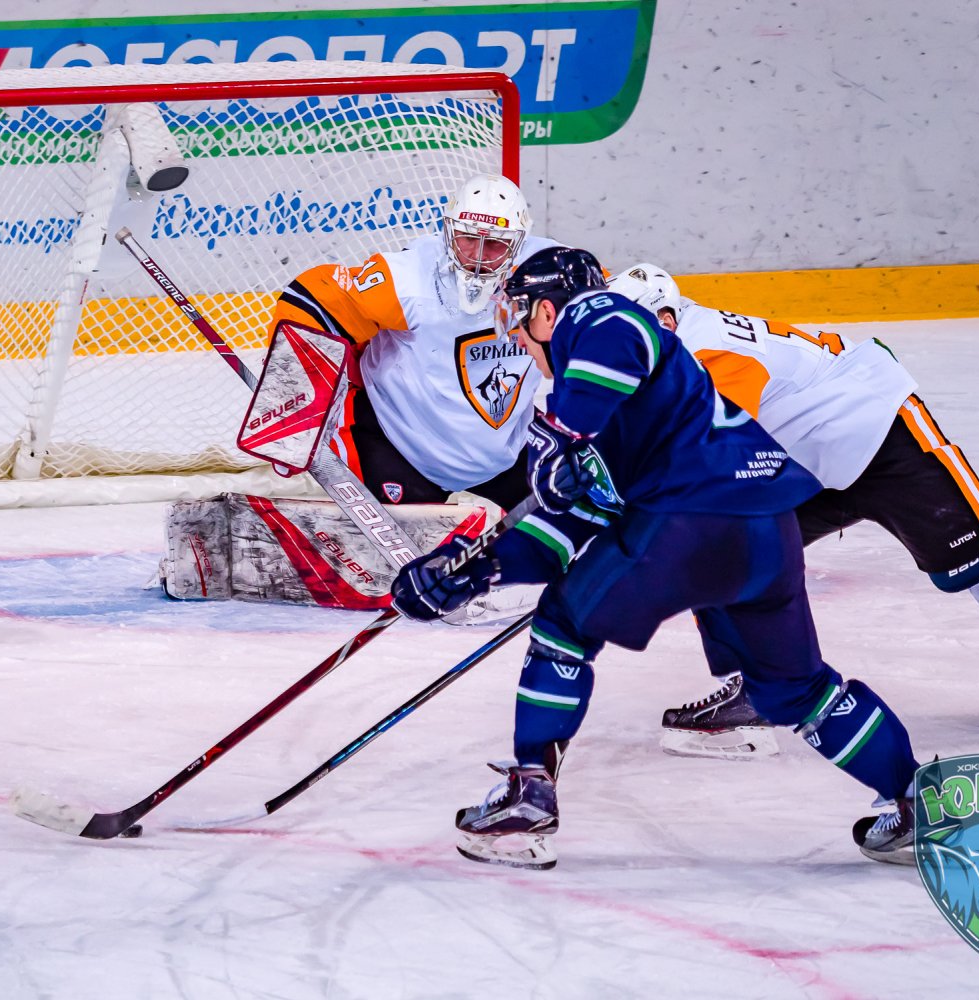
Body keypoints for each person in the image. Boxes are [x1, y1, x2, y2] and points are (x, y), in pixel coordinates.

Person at [389, 247, 926, 868]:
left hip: (692, 518)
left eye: (521, 315)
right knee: (795, 690)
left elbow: (617, 332)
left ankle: (528, 798)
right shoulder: (602, 407)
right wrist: (476, 570)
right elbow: (568, 527)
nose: (516, 336)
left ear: (547, 311)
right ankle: (915, 798)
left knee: (563, 627)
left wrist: (564, 436)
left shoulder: (599, 321)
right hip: (764, 525)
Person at [606, 263, 979, 756]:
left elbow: (710, 455)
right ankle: (760, 692)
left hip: (880, 433)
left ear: (666, 321)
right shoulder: (659, 344)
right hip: (804, 460)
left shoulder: (708, 354)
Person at [268, 174, 563, 510]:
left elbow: (605, 320)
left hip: (505, 451)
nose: (478, 256)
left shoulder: (552, 273)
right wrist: (289, 400)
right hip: (400, 445)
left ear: (519, 243)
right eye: (468, 238)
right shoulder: (409, 277)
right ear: (448, 231)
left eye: (495, 244)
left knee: (582, 517)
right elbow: (312, 301)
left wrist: (582, 422)